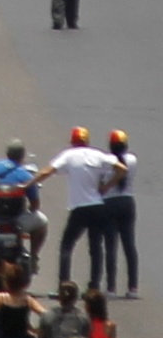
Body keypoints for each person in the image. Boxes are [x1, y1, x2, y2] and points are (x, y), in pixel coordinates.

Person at [49, 127, 122, 289]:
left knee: (67, 245)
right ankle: (94, 285)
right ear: (87, 141)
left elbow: (49, 170)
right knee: (95, 247)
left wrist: (28, 184)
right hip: (97, 206)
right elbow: (122, 169)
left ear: (73, 142)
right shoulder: (98, 155)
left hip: (80, 208)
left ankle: (64, 284)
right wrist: (107, 187)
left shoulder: (69, 155)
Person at [102, 130, 137, 301]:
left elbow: (100, 181)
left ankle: (111, 287)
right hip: (128, 202)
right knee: (129, 245)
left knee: (111, 246)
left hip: (110, 203)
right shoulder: (132, 160)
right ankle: (133, 287)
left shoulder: (106, 162)